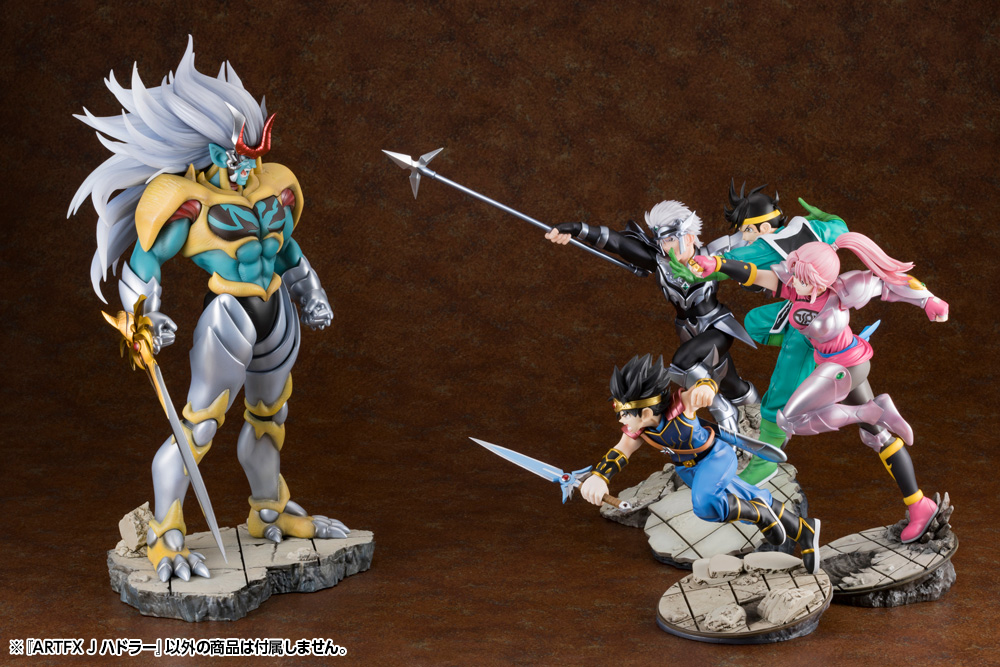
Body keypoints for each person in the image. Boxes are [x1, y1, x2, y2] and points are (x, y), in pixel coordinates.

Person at [69, 38, 349, 582]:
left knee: (270, 418)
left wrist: (311, 291)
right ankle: (165, 532)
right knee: (198, 428)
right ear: (216, 152)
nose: (250, 165)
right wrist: (143, 315)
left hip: (278, 314)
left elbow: (287, 250)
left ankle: (268, 510)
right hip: (229, 317)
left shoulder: (276, 186)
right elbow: (143, 263)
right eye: (240, 155)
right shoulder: (190, 204)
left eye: (256, 153)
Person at [690, 233, 948, 542]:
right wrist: (717, 264)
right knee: (877, 436)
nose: (795, 283)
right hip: (835, 366)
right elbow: (755, 274)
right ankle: (919, 504)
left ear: (821, 280)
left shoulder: (844, 291)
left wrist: (929, 300)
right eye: (795, 275)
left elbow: (891, 282)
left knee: (789, 419)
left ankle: (871, 410)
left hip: (845, 367)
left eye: (803, 279)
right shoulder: (797, 287)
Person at [671, 183, 848, 484]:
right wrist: (827, 215)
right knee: (755, 322)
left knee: (778, 391)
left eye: (747, 231)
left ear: (764, 227)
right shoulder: (814, 227)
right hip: (810, 302)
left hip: (813, 321)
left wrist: (704, 269)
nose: (745, 238)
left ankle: (767, 460)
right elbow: (840, 226)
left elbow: (740, 262)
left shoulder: (766, 245)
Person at [580, 355, 821, 572]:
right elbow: (619, 452)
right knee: (747, 494)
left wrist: (706, 387)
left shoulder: (680, 407)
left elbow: (703, 385)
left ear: (644, 412)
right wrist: (599, 477)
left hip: (715, 458)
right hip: (688, 469)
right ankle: (804, 530)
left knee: (705, 505)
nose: (620, 419)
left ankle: (759, 515)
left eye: (623, 413)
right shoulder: (639, 431)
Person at [546, 201, 759, 434]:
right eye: (661, 241)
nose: (665, 247)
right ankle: (757, 412)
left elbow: (759, 241)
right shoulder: (660, 263)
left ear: (688, 236)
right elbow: (617, 242)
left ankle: (726, 415)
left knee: (682, 363)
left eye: (670, 239)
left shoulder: (713, 254)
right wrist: (577, 229)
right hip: (687, 331)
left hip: (717, 326)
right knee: (730, 382)